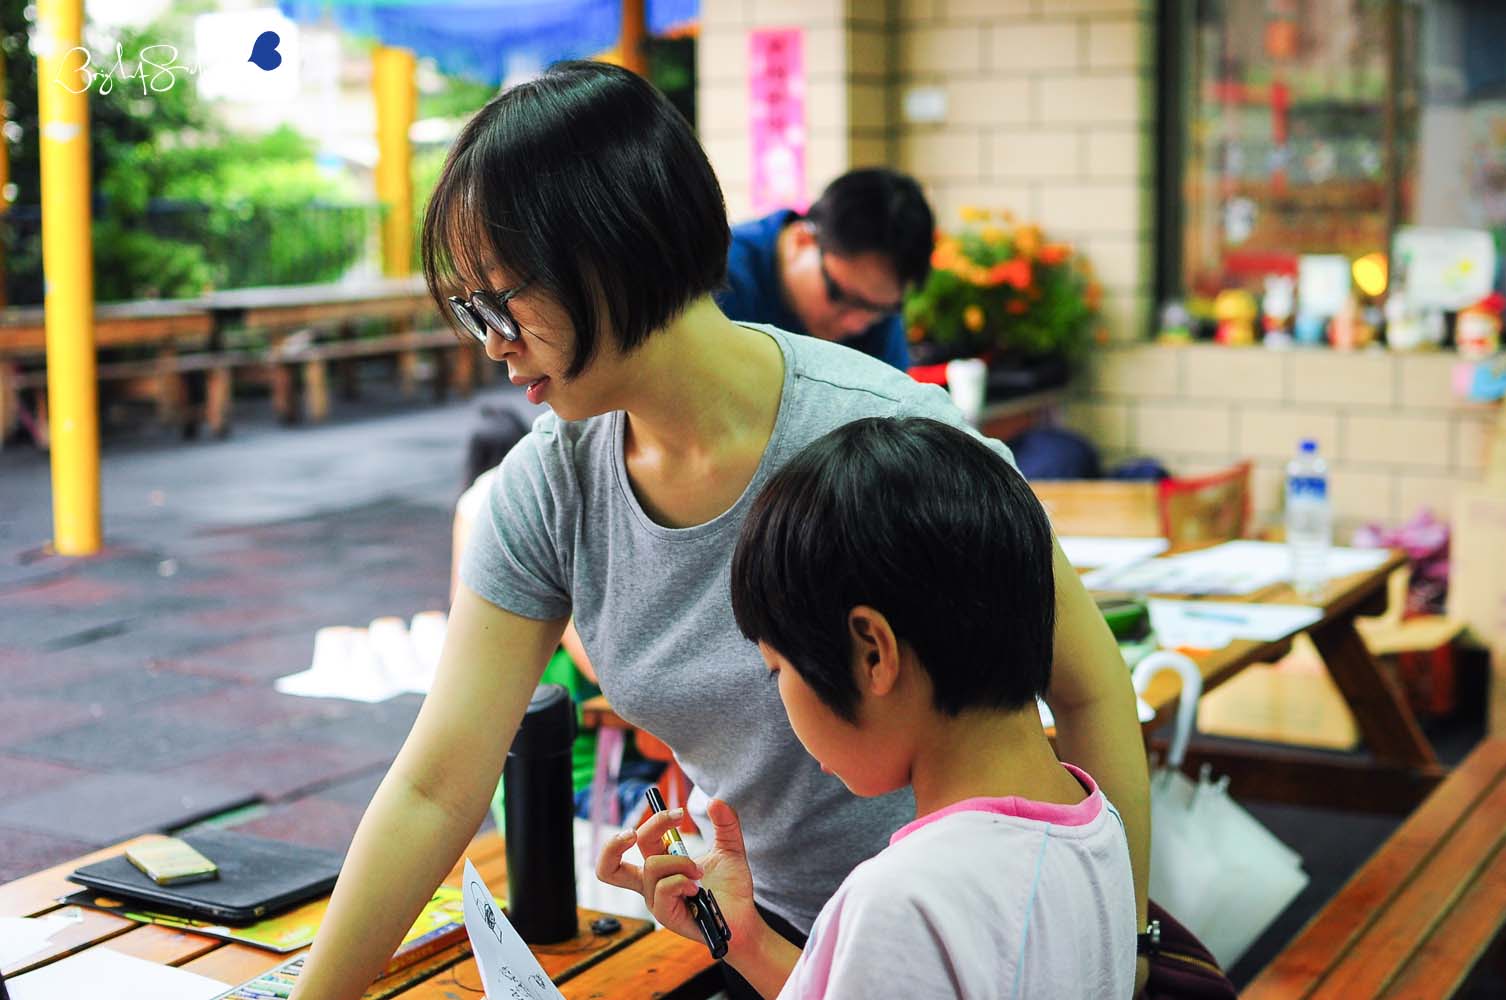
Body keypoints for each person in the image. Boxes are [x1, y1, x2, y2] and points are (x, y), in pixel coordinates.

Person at [288, 60, 1148, 1000]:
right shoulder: (550, 487)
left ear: (608, 253)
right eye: (469, 310)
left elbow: (1090, 690)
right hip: (767, 945)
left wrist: (1126, 947)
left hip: (965, 947)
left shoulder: (892, 438)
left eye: (502, 300)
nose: (490, 340)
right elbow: (434, 788)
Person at [603, 416, 1138, 998]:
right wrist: (747, 939)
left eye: (779, 671)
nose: (783, 701)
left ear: (873, 652)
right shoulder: (1094, 824)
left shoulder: (903, 901)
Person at [716, 168, 932, 371]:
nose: (855, 325)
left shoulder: (877, 306)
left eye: (878, 311)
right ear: (802, 239)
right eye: (838, 296)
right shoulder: (718, 277)